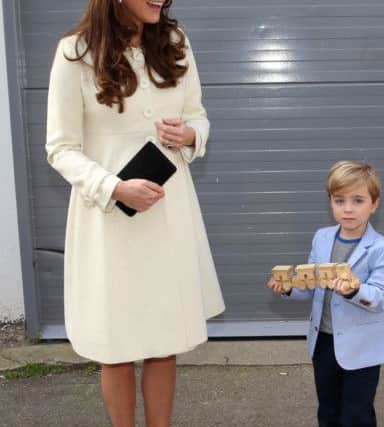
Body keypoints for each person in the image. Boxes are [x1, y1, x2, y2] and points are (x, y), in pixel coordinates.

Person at [45, 1, 225, 426]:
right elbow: (60, 148)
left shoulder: (175, 43)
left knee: (164, 342)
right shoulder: (75, 54)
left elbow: (197, 114)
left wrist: (190, 134)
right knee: (118, 345)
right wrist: (114, 187)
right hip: (110, 222)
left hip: (169, 216)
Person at [268, 161, 384, 427]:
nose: (348, 208)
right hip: (323, 344)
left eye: (358, 200)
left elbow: (382, 296)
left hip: (362, 348)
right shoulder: (322, 237)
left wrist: (355, 289)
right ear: (330, 202)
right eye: (339, 200)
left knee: (357, 415)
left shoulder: (382, 248)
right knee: (327, 412)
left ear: (374, 204)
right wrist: (290, 287)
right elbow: (312, 287)